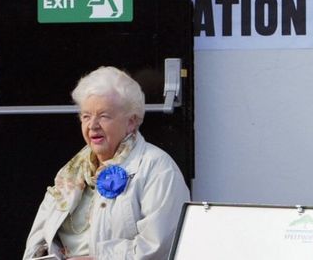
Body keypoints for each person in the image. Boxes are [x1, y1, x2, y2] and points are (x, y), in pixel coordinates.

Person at [23, 66, 189, 260]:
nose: (92, 125)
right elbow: (37, 240)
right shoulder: (70, 172)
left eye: (104, 116)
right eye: (86, 116)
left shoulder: (158, 169)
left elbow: (161, 248)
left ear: (131, 122)